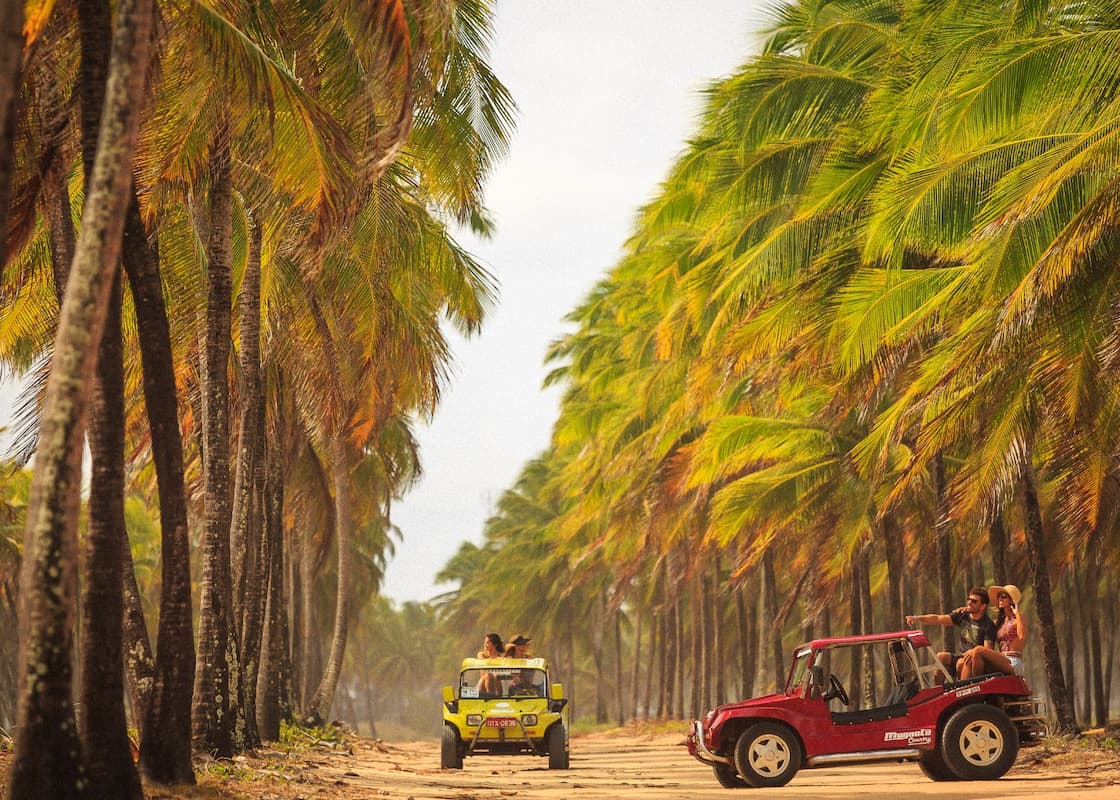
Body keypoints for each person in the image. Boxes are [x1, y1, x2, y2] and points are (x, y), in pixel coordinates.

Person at [905, 587, 997, 680]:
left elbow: (987, 651)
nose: (969, 603)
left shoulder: (988, 625)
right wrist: (917, 618)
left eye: (974, 601)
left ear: (983, 606)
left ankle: (962, 691)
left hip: (974, 661)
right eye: (968, 599)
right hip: (961, 656)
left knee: (961, 663)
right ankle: (939, 691)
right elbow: (938, 619)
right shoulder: (963, 614)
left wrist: (973, 652)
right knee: (941, 657)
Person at [957, 584, 1027, 678]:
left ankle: (977, 683)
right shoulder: (999, 622)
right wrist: (969, 610)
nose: (1000, 599)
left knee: (978, 650)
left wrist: (1017, 612)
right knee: (971, 658)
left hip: (1013, 661)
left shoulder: (1018, 619)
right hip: (1001, 660)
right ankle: (965, 688)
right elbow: (982, 621)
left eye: (1003, 596)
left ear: (1011, 600)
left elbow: (1022, 636)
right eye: (998, 596)